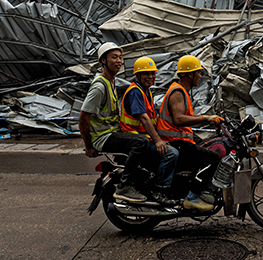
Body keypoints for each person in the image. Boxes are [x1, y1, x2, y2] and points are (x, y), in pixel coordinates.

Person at [78, 42, 149, 203]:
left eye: (120, 57)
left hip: (112, 133)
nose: (119, 61)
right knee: (141, 143)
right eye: (114, 57)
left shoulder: (111, 82)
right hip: (103, 137)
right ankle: (125, 186)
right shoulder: (99, 86)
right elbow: (83, 117)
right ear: (103, 60)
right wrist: (89, 146)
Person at [156, 54, 224, 212]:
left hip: (180, 140)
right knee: (213, 158)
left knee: (207, 147)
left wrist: (209, 120)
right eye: (198, 73)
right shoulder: (178, 92)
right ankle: (193, 197)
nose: (200, 76)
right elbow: (179, 119)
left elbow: (186, 117)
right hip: (175, 142)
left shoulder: (183, 91)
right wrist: (207, 117)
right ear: (188, 74)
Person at [120, 56, 179, 205]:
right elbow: (144, 118)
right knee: (171, 154)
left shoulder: (146, 92)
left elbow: (153, 118)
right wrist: (158, 140)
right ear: (137, 75)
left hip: (145, 138)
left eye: (153, 73)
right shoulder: (135, 92)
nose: (151, 77)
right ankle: (159, 190)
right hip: (136, 139)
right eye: (146, 73)